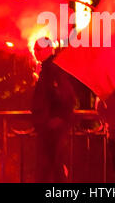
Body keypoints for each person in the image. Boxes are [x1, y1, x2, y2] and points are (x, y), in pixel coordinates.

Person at [31, 37, 76, 182]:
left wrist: (57, 118)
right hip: (48, 127)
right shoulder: (49, 68)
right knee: (51, 169)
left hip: (52, 129)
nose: (34, 52)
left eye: (37, 49)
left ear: (48, 49)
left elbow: (66, 96)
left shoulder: (53, 69)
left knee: (52, 168)